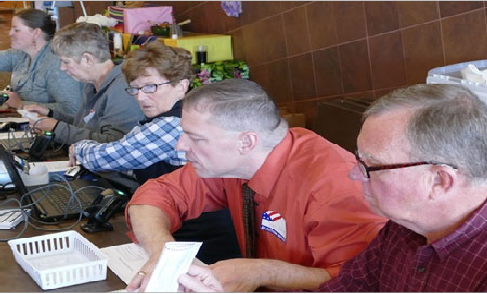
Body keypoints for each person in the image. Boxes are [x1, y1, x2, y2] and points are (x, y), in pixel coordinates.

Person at [178, 84, 487, 292]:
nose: (354, 175)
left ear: (439, 181)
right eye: (358, 161)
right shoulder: (402, 230)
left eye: (371, 166)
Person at [125, 78, 387, 292]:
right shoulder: (232, 163)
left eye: (195, 138)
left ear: (246, 142)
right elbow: (156, 194)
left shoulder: (335, 187)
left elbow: (358, 281)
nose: (180, 147)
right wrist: (162, 254)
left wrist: (260, 271)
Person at [70, 40, 241, 264]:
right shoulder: (171, 116)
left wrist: (78, 148)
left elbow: (109, 157)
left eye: (150, 87)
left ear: (182, 85)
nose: (140, 97)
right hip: (182, 228)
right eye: (135, 88)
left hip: (202, 243)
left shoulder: (171, 123)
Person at [23, 22, 144, 145]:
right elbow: (86, 126)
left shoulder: (123, 91)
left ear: (88, 59)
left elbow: (114, 145)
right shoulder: (92, 83)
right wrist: (51, 114)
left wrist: (56, 128)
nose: (62, 68)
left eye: (66, 62)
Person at [0, 8, 82, 117]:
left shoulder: (57, 64)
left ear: (36, 33)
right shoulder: (20, 55)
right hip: (27, 123)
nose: (10, 33)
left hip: (53, 138)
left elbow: (72, 110)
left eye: (16, 30)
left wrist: (20, 104)